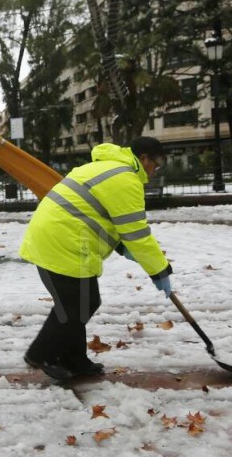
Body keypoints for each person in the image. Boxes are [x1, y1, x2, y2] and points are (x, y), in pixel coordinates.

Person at [19, 136, 172, 382]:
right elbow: (138, 234)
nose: (155, 170)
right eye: (156, 163)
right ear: (143, 159)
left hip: (55, 236)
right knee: (80, 303)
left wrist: (123, 246)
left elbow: (103, 214)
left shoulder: (106, 168)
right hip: (65, 240)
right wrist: (160, 270)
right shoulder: (125, 178)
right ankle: (41, 354)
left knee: (77, 302)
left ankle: (74, 360)